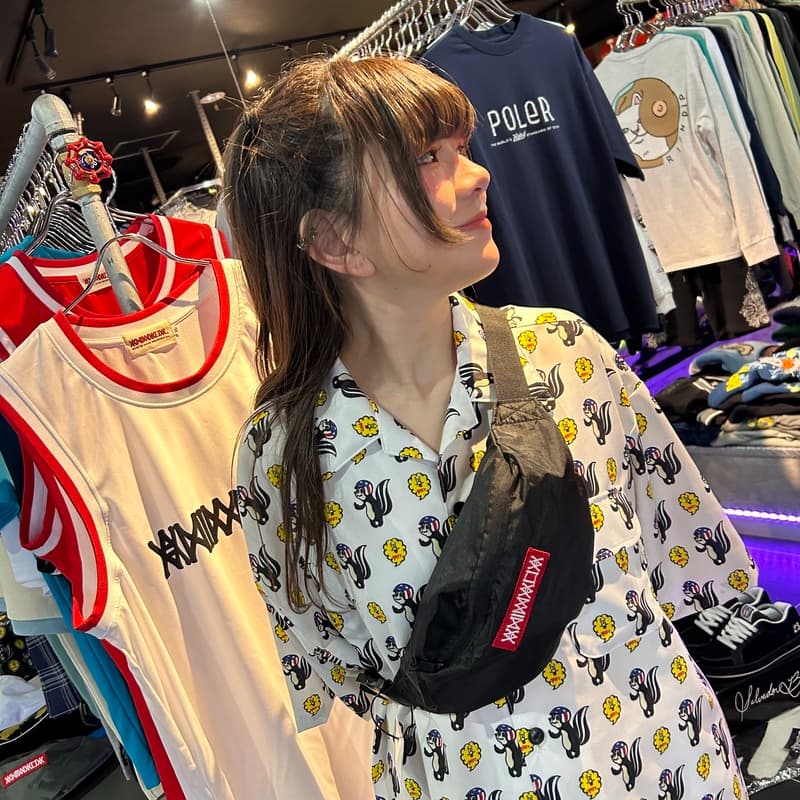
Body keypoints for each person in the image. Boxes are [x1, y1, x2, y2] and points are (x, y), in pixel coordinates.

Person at [225, 55, 753, 799]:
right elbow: (336, 664)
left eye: (462, 148)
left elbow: (682, 550)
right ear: (335, 241)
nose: (478, 175)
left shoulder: (566, 354)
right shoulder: (281, 455)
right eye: (427, 159)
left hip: (671, 762)